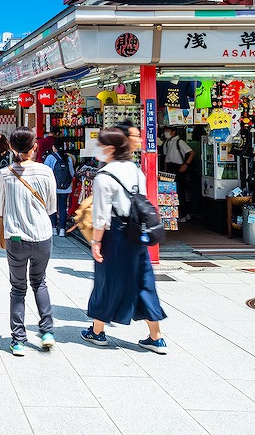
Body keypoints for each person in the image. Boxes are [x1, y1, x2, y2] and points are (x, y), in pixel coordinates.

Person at [82, 128, 167, 354]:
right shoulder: (134, 169)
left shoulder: (104, 176)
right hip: (136, 232)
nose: (97, 149)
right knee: (143, 281)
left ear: (110, 149)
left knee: (107, 280)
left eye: (100, 145)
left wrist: (96, 242)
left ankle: (97, 331)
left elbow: (100, 216)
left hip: (115, 233)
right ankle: (156, 336)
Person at [0, 127, 57, 356]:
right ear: (34, 147)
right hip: (41, 236)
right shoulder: (46, 171)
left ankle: (18, 340)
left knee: (18, 288)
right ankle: (47, 331)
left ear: (11, 147)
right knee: (40, 282)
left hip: (15, 237)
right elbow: (51, 206)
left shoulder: (5, 173)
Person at [161, 126, 195, 221]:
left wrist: (186, 165)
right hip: (170, 168)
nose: (166, 132)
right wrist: (165, 169)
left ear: (173, 132)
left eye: (168, 131)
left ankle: (183, 215)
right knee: (173, 192)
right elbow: (165, 158)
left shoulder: (180, 142)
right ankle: (184, 214)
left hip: (179, 168)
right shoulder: (166, 143)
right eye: (165, 131)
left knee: (179, 192)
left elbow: (192, 153)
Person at [44, 142, 76, 236]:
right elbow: (72, 173)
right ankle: (62, 229)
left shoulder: (50, 157)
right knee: (62, 208)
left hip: (53, 186)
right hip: (66, 187)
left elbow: (46, 172)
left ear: (54, 147)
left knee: (53, 207)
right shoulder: (68, 158)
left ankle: (54, 228)